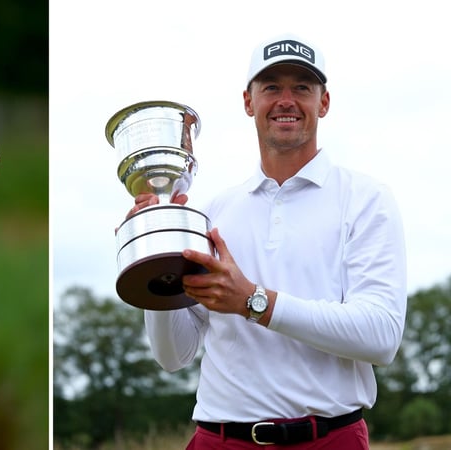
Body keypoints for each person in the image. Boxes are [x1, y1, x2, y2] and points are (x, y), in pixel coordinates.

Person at [131, 34, 406, 448]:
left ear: (323, 102)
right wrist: (156, 252)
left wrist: (253, 301)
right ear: (248, 101)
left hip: (329, 438)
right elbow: (174, 356)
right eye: (271, 86)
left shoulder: (365, 199)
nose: (286, 100)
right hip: (220, 438)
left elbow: (381, 336)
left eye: (302, 87)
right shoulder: (213, 212)